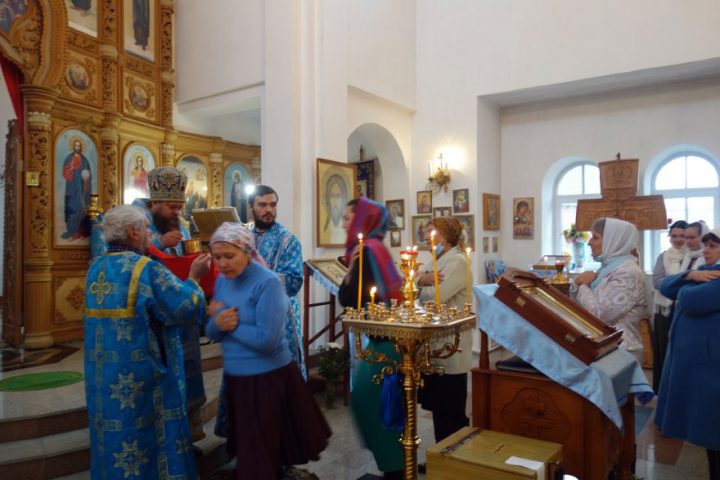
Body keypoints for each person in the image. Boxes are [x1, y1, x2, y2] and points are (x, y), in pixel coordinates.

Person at [83, 205, 211, 480]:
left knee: (114, 439)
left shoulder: (95, 269)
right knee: (148, 439)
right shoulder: (146, 269)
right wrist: (195, 277)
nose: (149, 234)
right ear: (133, 232)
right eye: (145, 228)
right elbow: (185, 307)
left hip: (105, 377)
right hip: (144, 376)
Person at [205, 222, 331, 479]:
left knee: (260, 457)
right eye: (217, 257)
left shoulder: (268, 283)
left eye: (229, 256)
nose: (222, 263)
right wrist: (218, 322)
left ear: (246, 252)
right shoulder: (223, 281)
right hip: (237, 379)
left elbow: (267, 340)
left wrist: (229, 325)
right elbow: (212, 331)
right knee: (254, 454)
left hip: (267, 379)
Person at [131, 167, 205, 443]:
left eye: (179, 206)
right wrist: (160, 243)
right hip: (156, 317)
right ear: (155, 203)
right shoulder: (136, 225)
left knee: (188, 371)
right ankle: (165, 442)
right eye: (172, 207)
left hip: (183, 308)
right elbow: (133, 262)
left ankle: (186, 436)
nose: (177, 212)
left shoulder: (180, 226)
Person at [338, 197, 404, 480]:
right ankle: (395, 467)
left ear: (362, 220)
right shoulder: (376, 248)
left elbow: (349, 298)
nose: (343, 224)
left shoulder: (365, 252)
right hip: (390, 338)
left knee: (378, 407)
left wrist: (347, 275)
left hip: (383, 342)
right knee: (384, 407)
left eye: (348, 218)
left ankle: (395, 470)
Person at [655, 226, 720, 479]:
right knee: (710, 438)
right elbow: (665, 287)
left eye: (713, 246)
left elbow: (691, 301)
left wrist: (684, 285)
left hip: (711, 366)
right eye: (706, 245)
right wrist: (690, 275)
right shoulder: (708, 272)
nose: (706, 250)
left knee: (713, 431)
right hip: (703, 365)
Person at [416, 217, 473, 459]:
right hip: (434, 343)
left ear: (446, 235)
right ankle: (441, 460)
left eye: (432, 232)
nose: (427, 237)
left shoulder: (457, 261)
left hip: (451, 344)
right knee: (439, 409)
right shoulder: (436, 260)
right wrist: (421, 279)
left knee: (453, 411)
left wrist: (419, 282)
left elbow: (434, 298)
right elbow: (411, 283)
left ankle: (456, 463)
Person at [572, 217, 646, 363]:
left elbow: (601, 315)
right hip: (604, 348)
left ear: (613, 241)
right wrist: (577, 283)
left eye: (595, 237)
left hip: (621, 351)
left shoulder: (627, 273)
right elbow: (580, 304)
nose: (589, 242)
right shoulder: (608, 268)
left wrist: (582, 286)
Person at [651, 220, 688, 392]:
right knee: (663, 349)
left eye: (682, 236)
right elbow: (656, 281)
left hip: (685, 309)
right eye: (674, 236)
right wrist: (682, 281)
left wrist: (671, 283)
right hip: (665, 310)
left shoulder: (694, 256)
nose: (678, 240)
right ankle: (662, 389)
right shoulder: (664, 256)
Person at [61, 139, 92, 240]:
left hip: (82, 187)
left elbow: (88, 175)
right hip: (72, 187)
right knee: (72, 208)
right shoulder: (69, 158)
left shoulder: (85, 160)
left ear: (81, 147)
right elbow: (65, 172)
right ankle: (72, 232)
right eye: (76, 146)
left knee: (82, 207)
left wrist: (86, 179)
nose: (77, 147)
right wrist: (70, 169)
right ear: (73, 147)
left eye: (79, 146)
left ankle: (81, 232)